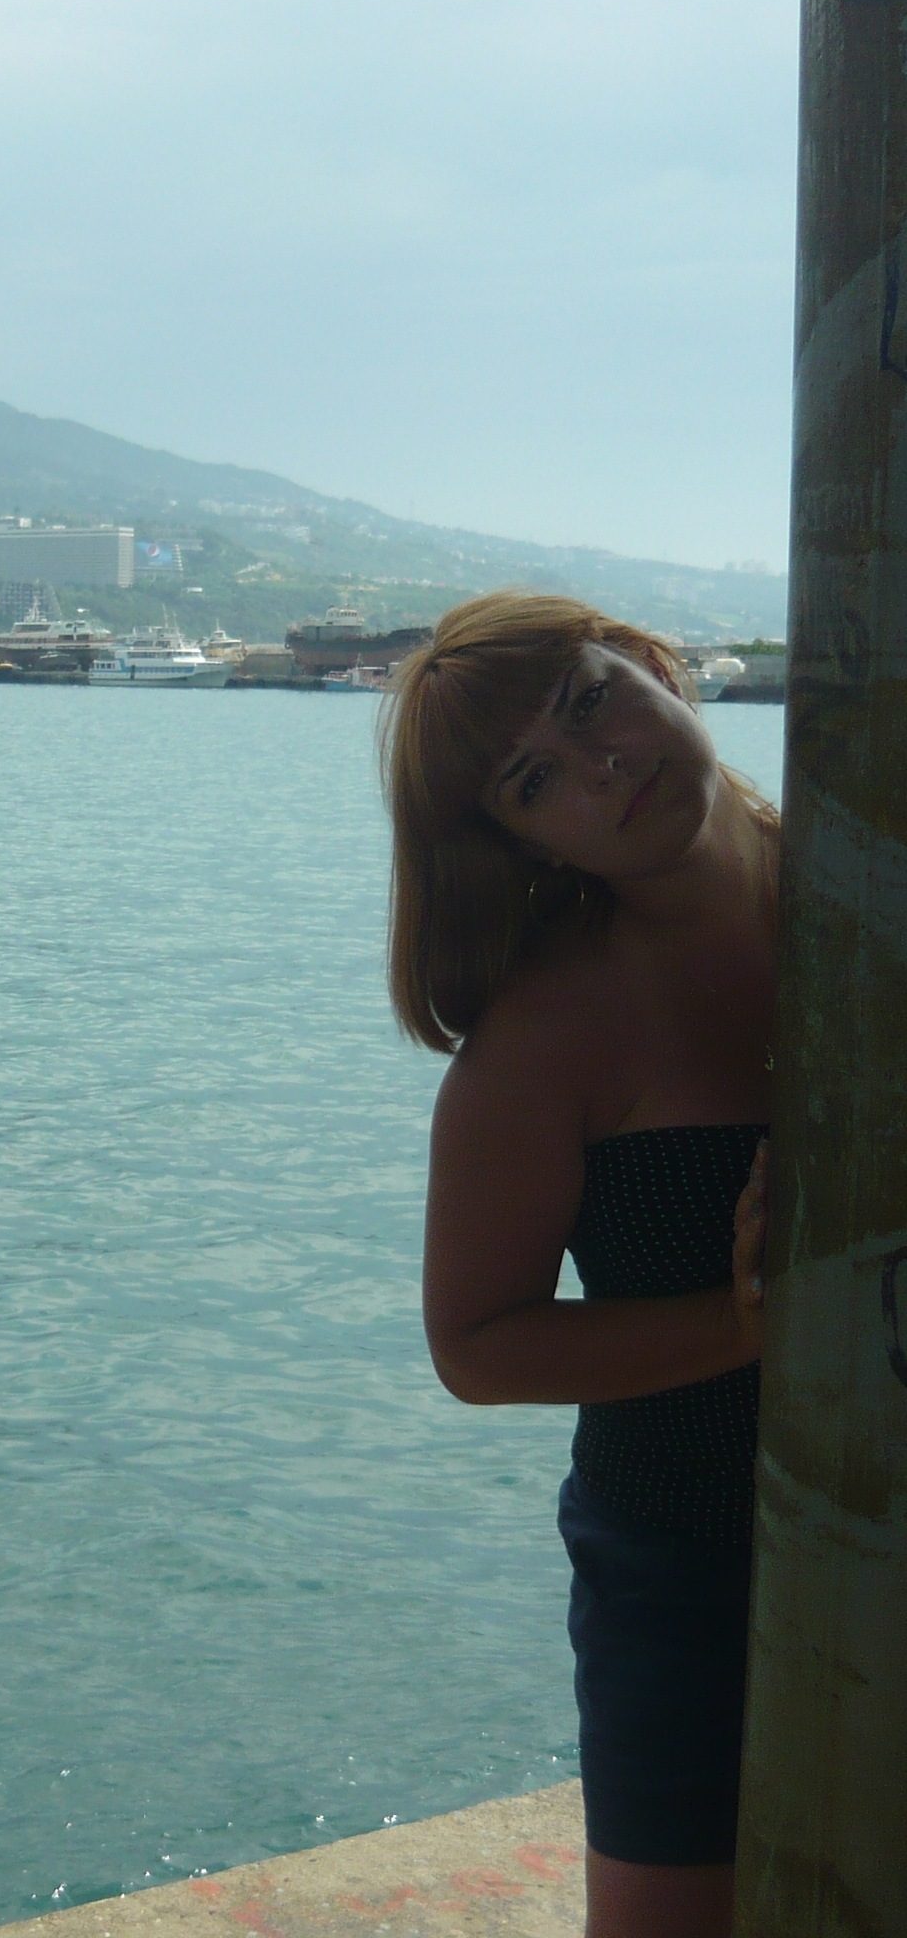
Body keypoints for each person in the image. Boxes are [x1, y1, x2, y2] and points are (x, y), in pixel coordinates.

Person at [379, 591, 774, 1938]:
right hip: (692, 1562)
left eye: (591, 699)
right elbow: (476, 1344)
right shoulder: (543, 1042)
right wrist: (748, 1322)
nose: (603, 766)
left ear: (653, 663)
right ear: (520, 840)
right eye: (536, 780)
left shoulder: (872, 878)